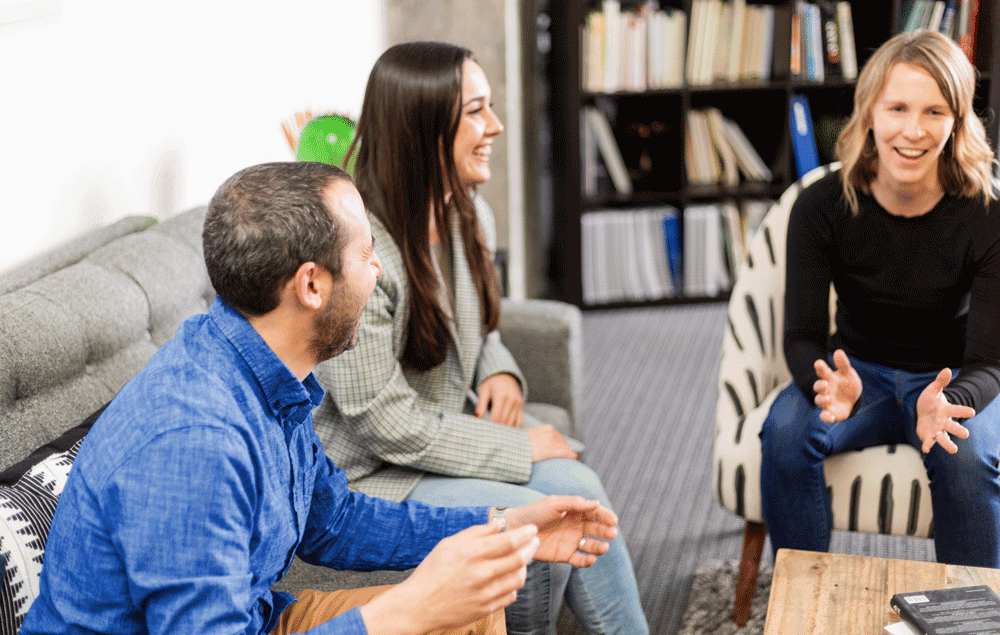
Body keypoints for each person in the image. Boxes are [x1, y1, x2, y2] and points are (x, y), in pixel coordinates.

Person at [20, 161, 622, 635]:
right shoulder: (196, 443)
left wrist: (505, 525)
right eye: (365, 254)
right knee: (434, 609)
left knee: (469, 602)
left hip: (255, 620)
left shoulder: (265, 371)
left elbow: (332, 520)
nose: (378, 273)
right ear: (311, 284)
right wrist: (405, 610)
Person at [311, 42, 648, 635]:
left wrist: (498, 368)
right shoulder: (360, 253)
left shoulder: (470, 213)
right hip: (369, 473)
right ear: (422, 128)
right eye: (475, 111)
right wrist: (521, 449)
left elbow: (480, 323)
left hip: (436, 443)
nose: (494, 126)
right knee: (545, 508)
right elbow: (383, 423)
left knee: (578, 490)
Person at [760, 30, 1000, 568]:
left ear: (957, 121)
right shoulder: (821, 205)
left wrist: (952, 401)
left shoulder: (987, 213)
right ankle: (804, 604)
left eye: (934, 111)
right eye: (897, 108)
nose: (913, 131)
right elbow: (800, 337)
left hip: (947, 380)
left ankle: (971, 618)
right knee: (784, 432)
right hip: (856, 374)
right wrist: (823, 381)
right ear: (869, 113)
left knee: (969, 457)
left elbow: (991, 361)